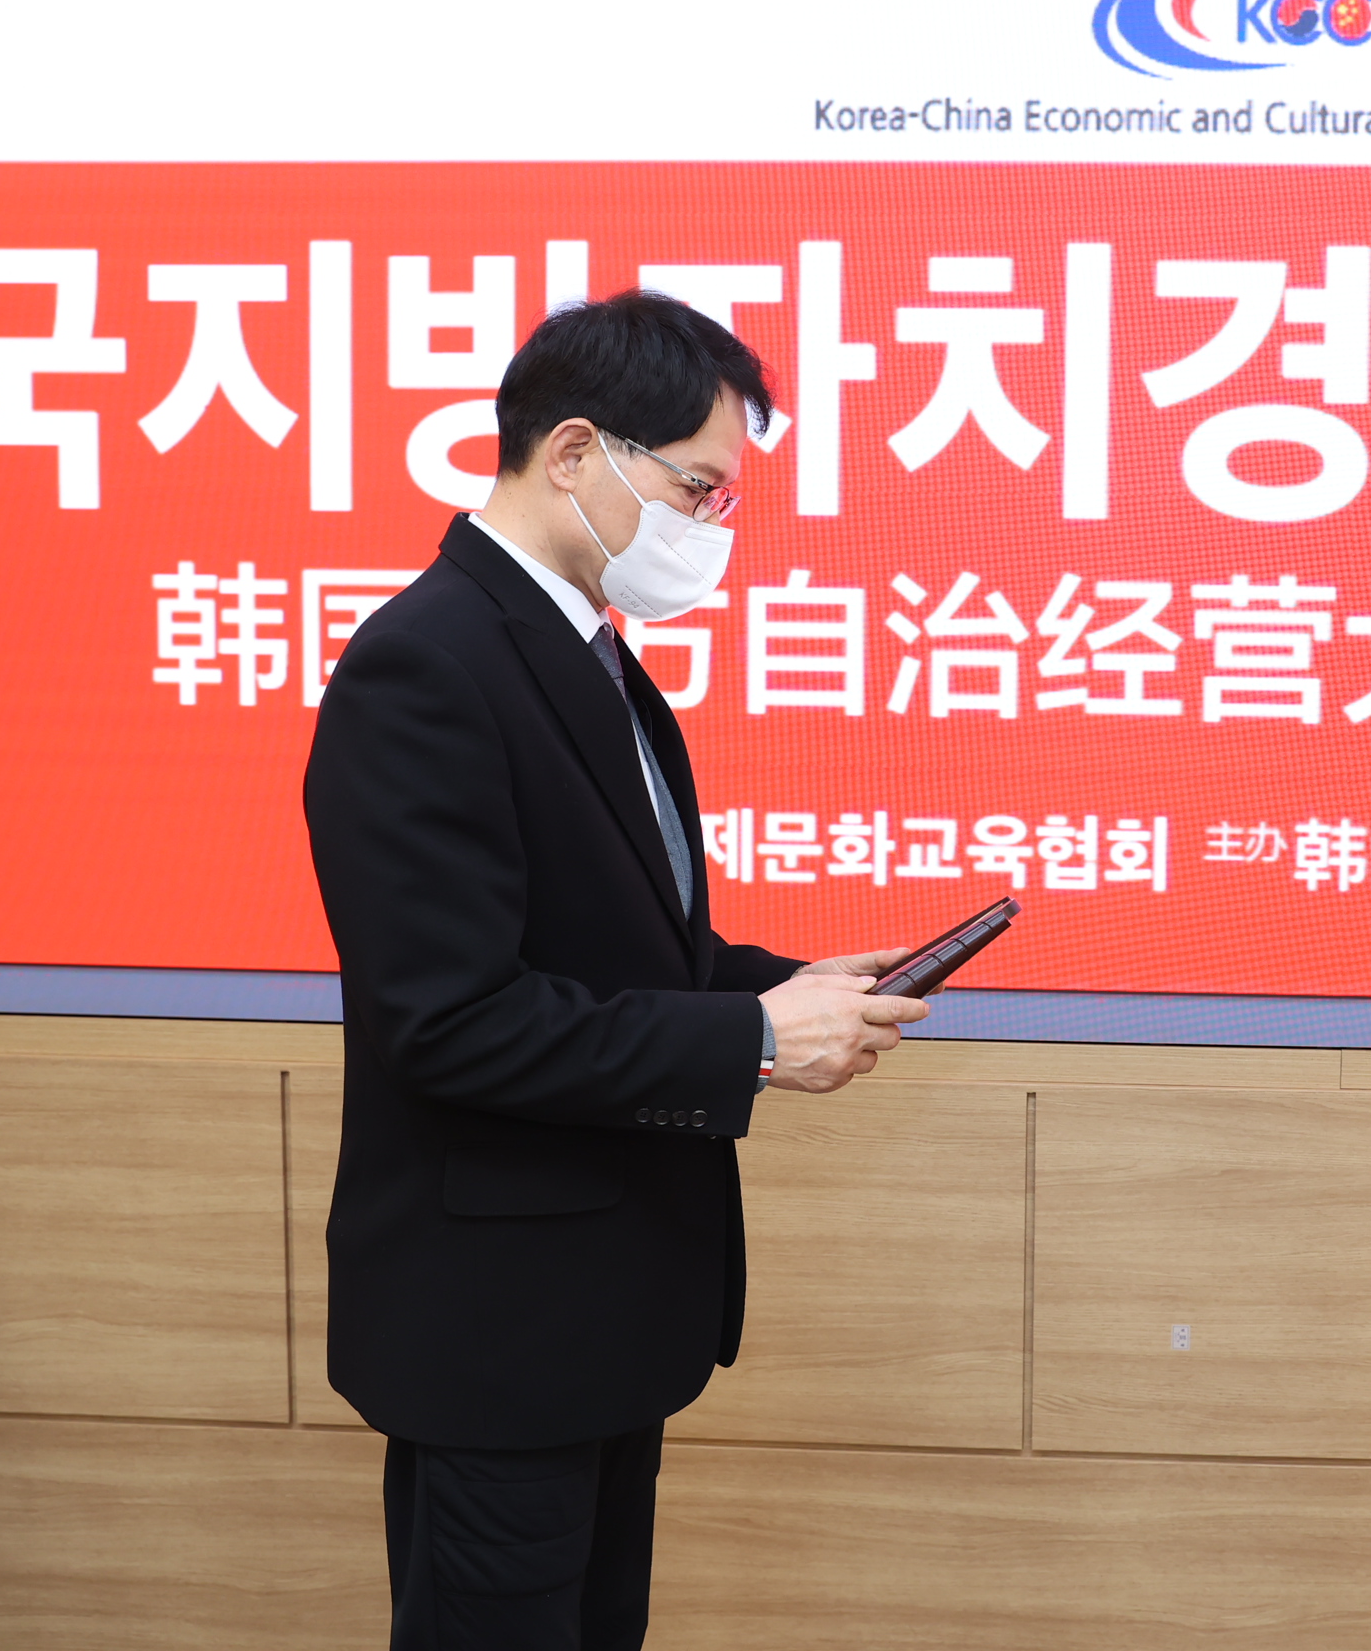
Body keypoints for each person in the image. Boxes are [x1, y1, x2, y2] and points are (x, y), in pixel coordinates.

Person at [304, 290, 929, 1651]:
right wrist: (752, 1044)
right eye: (698, 488)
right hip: (500, 1331)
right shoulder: (428, 665)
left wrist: (788, 987)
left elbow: (624, 949)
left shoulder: (583, 650)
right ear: (576, 451)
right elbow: (453, 1020)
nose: (711, 526)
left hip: (596, 1316)